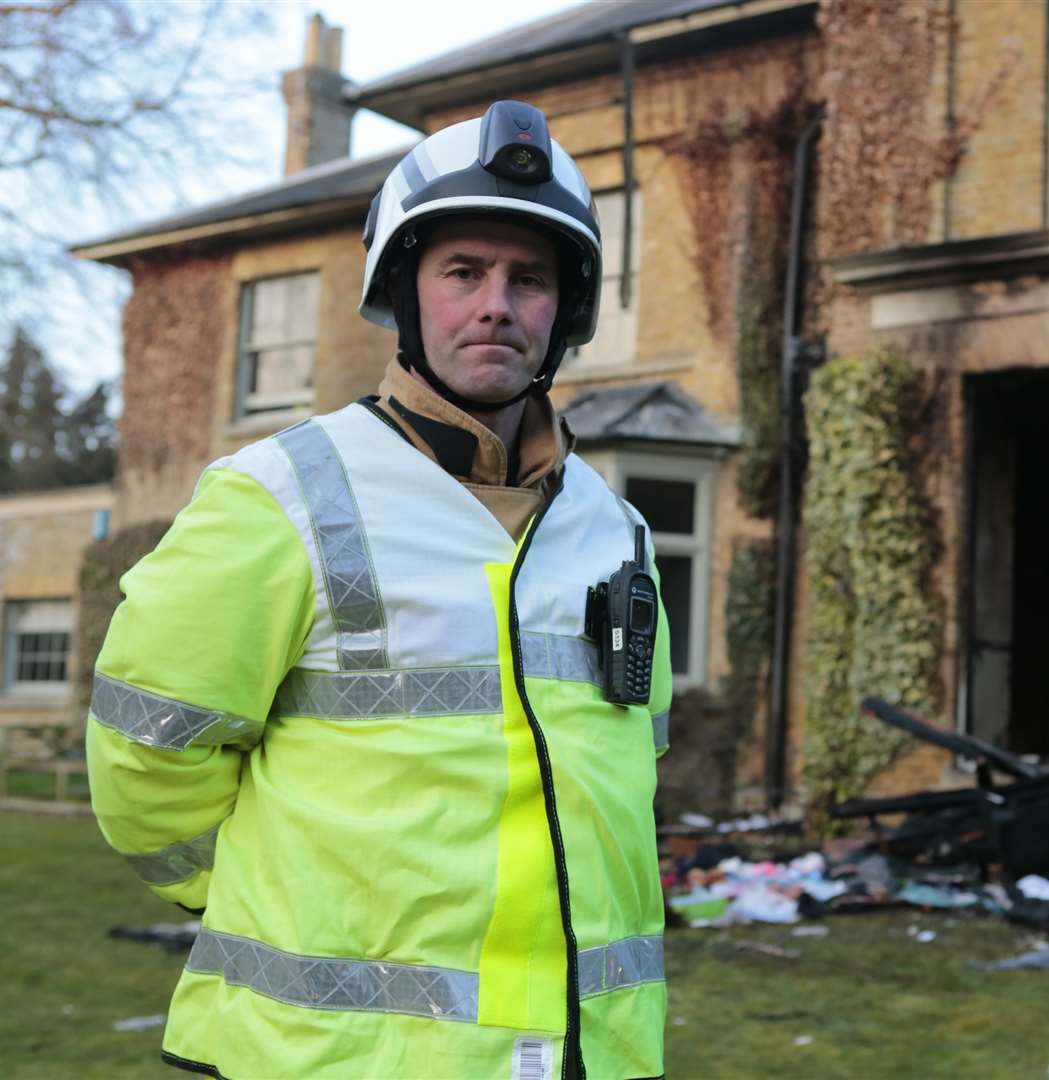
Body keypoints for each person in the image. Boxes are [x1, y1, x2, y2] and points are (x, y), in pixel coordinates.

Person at [86, 100, 672, 1080]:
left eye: (530, 279)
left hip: (582, 1060)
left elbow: (626, 770)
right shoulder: (278, 498)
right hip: (321, 1059)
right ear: (402, 291)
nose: (497, 304)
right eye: (464, 272)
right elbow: (147, 757)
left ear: (565, 311)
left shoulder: (617, 530)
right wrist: (233, 893)